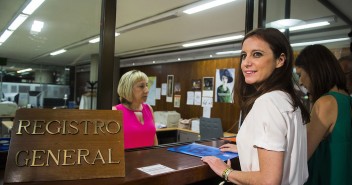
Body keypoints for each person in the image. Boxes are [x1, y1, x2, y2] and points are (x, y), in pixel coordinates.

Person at [201, 28, 310, 184]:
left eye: (257, 54)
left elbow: (268, 180)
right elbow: (284, 151)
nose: (246, 62)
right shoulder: (289, 100)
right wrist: (247, 148)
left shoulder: (267, 102)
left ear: (280, 60)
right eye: (244, 55)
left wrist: (225, 171)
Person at [295, 44, 352, 185]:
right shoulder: (346, 99)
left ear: (314, 71)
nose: (301, 81)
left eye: (301, 74)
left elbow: (302, 155)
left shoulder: (326, 102)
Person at [112, 70, 158, 149]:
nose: (147, 90)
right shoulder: (115, 112)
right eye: (141, 86)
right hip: (127, 161)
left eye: (147, 85)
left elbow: (154, 142)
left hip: (149, 160)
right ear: (128, 88)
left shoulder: (148, 109)